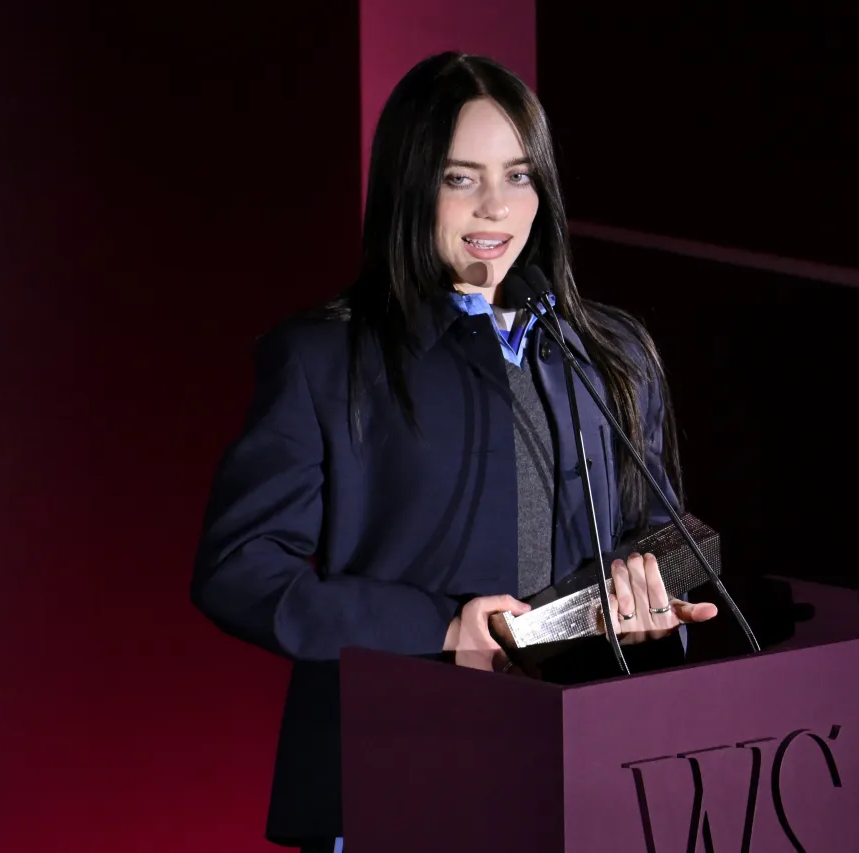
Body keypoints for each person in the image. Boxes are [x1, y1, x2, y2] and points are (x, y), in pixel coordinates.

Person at [190, 51, 719, 852]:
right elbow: (240, 568)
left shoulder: (609, 351)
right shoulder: (326, 361)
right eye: (460, 178)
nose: (495, 208)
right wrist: (440, 628)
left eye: (518, 175)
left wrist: (650, 587)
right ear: (410, 186)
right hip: (398, 779)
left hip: (589, 771)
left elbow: (663, 528)